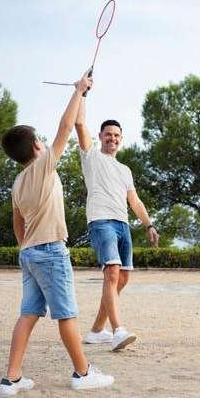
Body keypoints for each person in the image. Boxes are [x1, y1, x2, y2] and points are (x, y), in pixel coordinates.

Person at [0, 71, 114, 396]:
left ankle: (12, 378)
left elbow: (16, 223)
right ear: (37, 145)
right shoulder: (43, 166)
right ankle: (83, 372)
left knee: (29, 314)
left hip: (30, 254)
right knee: (66, 315)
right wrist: (76, 89)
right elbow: (65, 129)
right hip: (50, 252)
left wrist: (82, 96)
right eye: (42, 139)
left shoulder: (19, 182)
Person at [75, 97, 159, 351]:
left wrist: (149, 225)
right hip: (101, 222)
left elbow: (134, 200)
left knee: (121, 279)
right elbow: (79, 123)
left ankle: (96, 331)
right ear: (100, 136)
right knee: (111, 273)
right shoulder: (90, 156)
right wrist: (82, 94)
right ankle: (118, 331)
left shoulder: (125, 169)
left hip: (123, 225)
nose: (112, 138)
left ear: (121, 139)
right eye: (108, 134)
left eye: (117, 135)